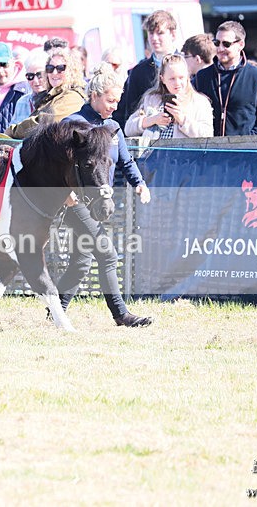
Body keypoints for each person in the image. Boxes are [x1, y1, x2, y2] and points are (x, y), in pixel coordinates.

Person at [58, 62, 152, 327]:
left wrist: (140, 183)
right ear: (95, 95)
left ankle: (57, 309)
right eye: (110, 100)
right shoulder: (73, 124)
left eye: (117, 100)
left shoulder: (113, 127)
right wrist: (65, 193)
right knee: (107, 254)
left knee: (82, 260)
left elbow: (125, 161)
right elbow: (58, 166)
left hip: (98, 202)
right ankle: (121, 315)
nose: (114, 105)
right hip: (73, 202)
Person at [194, 21, 257, 136]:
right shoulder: (201, 77)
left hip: (245, 151)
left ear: (241, 44)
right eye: (217, 43)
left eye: (226, 44)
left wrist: (248, 144)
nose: (220, 48)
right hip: (209, 150)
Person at [114, 10, 179, 129]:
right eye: (150, 33)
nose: (154, 38)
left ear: (173, 34)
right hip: (147, 139)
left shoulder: (186, 66)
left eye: (160, 33)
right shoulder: (138, 71)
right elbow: (130, 112)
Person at [124, 53, 213, 139]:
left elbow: (207, 135)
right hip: (153, 153)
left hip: (183, 153)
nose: (177, 83)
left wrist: (182, 120)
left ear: (187, 76)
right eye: (172, 79)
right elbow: (128, 129)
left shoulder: (200, 102)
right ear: (163, 79)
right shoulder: (152, 99)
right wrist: (152, 120)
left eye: (181, 77)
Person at [4, 47, 86, 139]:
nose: (54, 73)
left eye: (60, 68)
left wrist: (12, 131)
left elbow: (44, 122)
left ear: (71, 71)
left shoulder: (72, 96)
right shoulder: (52, 96)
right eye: (50, 68)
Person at [9, 49, 51, 125]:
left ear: (48, 74)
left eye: (40, 75)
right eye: (30, 76)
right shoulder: (22, 102)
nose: (35, 81)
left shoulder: (58, 100)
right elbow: (12, 131)